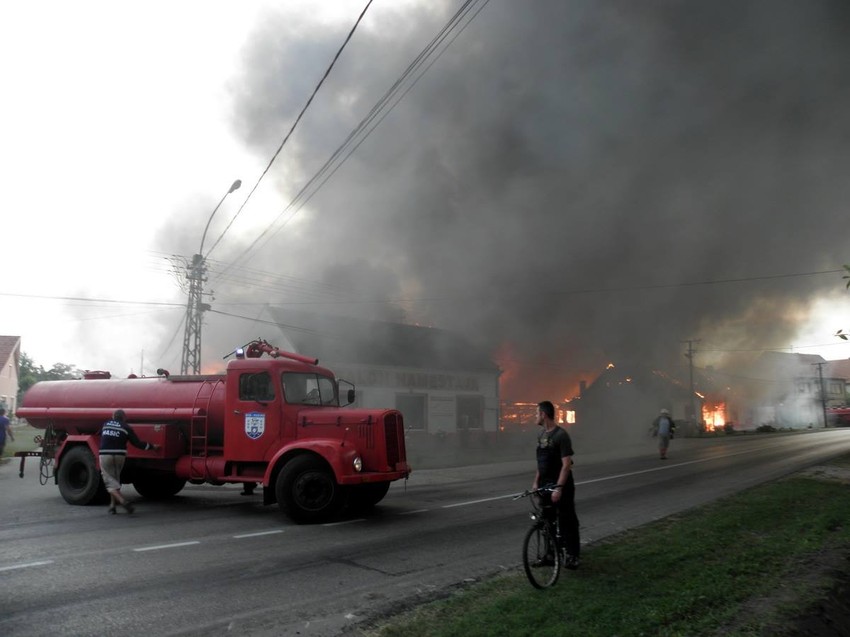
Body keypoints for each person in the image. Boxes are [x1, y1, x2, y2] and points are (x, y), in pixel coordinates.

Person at [531, 400, 581, 569]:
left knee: (567, 519)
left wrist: (558, 488)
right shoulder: (541, 435)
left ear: (543, 414)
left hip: (562, 484)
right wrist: (536, 482)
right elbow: (541, 463)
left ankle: (572, 555)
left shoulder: (561, 435)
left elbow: (566, 465)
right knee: (547, 521)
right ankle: (550, 555)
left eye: (536, 413)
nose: (535, 416)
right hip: (545, 484)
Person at [99, 409, 159, 514]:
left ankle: (123, 501)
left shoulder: (106, 424)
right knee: (115, 480)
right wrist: (152, 446)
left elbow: (101, 435)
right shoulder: (126, 427)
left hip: (105, 454)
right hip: (120, 456)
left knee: (109, 482)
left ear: (113, 416)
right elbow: (137, 443)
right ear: (124, 418)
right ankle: (112, 506)